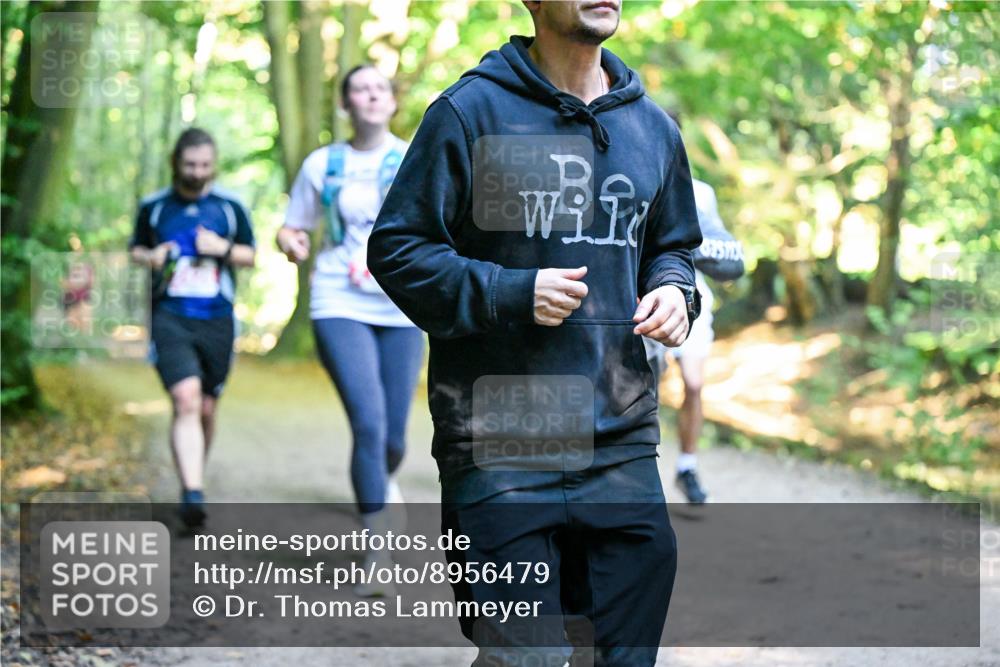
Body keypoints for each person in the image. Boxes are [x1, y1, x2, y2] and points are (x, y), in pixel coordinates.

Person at [369, 1, 702, 664]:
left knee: (619, 656)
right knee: (530, 657)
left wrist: (673, 288)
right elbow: (399, 249)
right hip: (499, 436)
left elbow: (673, 243)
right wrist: (508, 290)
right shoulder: (470, 113)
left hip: (620, 436)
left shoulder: (651, 129)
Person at [276, 65, 424, 596]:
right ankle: (377, 548)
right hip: (338, 301)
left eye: (380, 88)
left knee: (393, 438)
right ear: (346, 104)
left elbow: (437, 226)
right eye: (360, 88)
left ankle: (381, 484)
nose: (372, 95)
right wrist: (290, 242)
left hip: (400, 306)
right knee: (368, 422)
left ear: (391, 101)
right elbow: (294, 225)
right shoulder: (323, 164)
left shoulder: (411, 158)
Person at [130, 128, 256, 528]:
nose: (198, 172)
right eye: (190, 165)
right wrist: (151, 256)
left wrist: (222, 250)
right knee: (185, 399)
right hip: (169, 316)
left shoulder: (230, 207)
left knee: (205, 406)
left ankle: (193, 475)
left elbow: (251, 255)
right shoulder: (154, 207)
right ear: (176, 163)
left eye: (205, 165)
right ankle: (192, 492)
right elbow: (134, 248)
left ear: (213, 164)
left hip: (217, 318)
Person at [645, 111, 746, 505]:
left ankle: (687, 466)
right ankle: (639, 468)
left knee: (694, 384)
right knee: (645, 390)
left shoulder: (701, 192)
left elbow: (723, 252)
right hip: (643, 302)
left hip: (692, 300)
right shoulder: (632, 176)